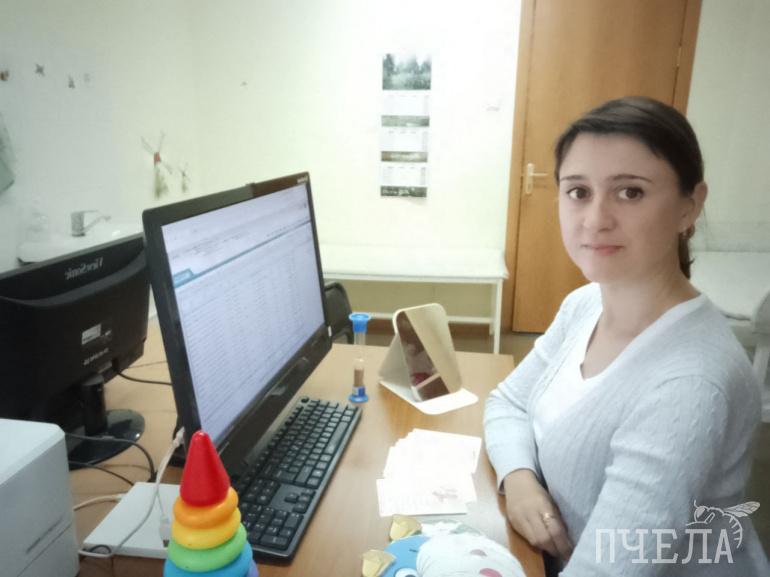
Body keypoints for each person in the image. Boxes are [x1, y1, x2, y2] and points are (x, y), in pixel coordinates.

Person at [484, 96, 769, 576]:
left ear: (689, 206)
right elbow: (508, 402)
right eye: (578, 191)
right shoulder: (586, 304)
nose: (595, 219)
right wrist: (519, 480)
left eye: (630, 192)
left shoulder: (689, 384)